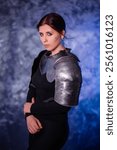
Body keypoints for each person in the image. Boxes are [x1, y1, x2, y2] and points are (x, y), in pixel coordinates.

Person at [23, 12, 82, 150]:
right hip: (34, 125)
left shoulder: (68, 64)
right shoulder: (41, 57)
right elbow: (32, 87)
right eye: (41, 34)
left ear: (62, 34)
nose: (44, 40)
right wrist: (29, 115)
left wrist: (31, 107)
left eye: (49, 34)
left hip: (53, 128)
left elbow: (63, 106)